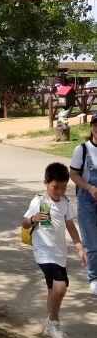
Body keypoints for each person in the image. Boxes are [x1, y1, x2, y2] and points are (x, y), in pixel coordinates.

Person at [22, 161, 87, 338]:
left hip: (59, 253)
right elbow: (24, 223)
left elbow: (70, 226)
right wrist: (34, 219)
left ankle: (50, 323)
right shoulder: (39, 201)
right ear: (46, 183)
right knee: (60, 287)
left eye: (63, 187)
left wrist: (79, 247)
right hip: (44, 253)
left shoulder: (65, 203)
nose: (59, 191)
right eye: (55, 187)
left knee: (53, 289)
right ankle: (54, 323)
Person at [70, 112, 97, 294]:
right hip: (88, 200)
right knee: (92, 242)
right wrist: (89, 187)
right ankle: (94, 278)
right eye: (95, 124)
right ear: (91, 127)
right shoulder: (82, 149)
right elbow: (73, 174)